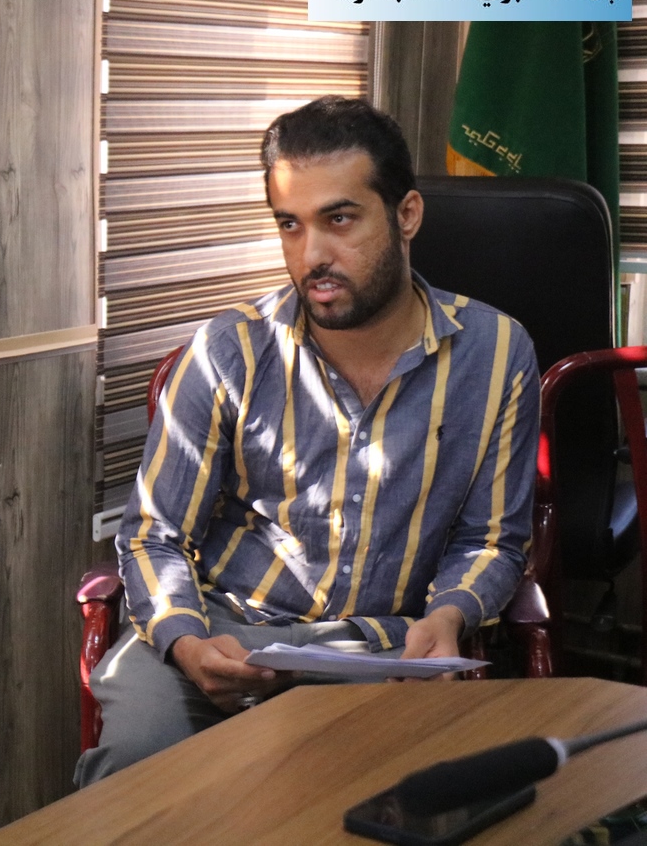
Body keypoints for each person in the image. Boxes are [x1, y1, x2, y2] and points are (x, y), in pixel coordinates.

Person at [75, 96, 539, 787]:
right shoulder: (228, 351)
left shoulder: (497, 353)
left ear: (407, 214)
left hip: (380, 651)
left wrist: (450, 615)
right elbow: (154, 535)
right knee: (133, 786)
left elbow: (492, 540)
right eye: (289, 225)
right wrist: (186, 640)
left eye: (339, 219)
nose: (312, 255)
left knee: (398, 805)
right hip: (223, 632)